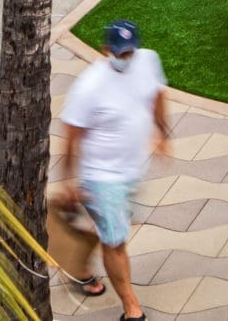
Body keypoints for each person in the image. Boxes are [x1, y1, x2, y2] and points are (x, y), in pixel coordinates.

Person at [59, 18, 169, 321]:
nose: (126, 58)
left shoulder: (148, 60)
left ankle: (78, 267)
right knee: (115, 240)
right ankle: (131, 307)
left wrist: (162, 131)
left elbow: (157, 93)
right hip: (102, 176)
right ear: (105, 49)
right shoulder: (88, 86)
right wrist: (69, 181)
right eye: (120, 53)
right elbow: (71, 138)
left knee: (111, 230)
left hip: (133, 169)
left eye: (130, 52)